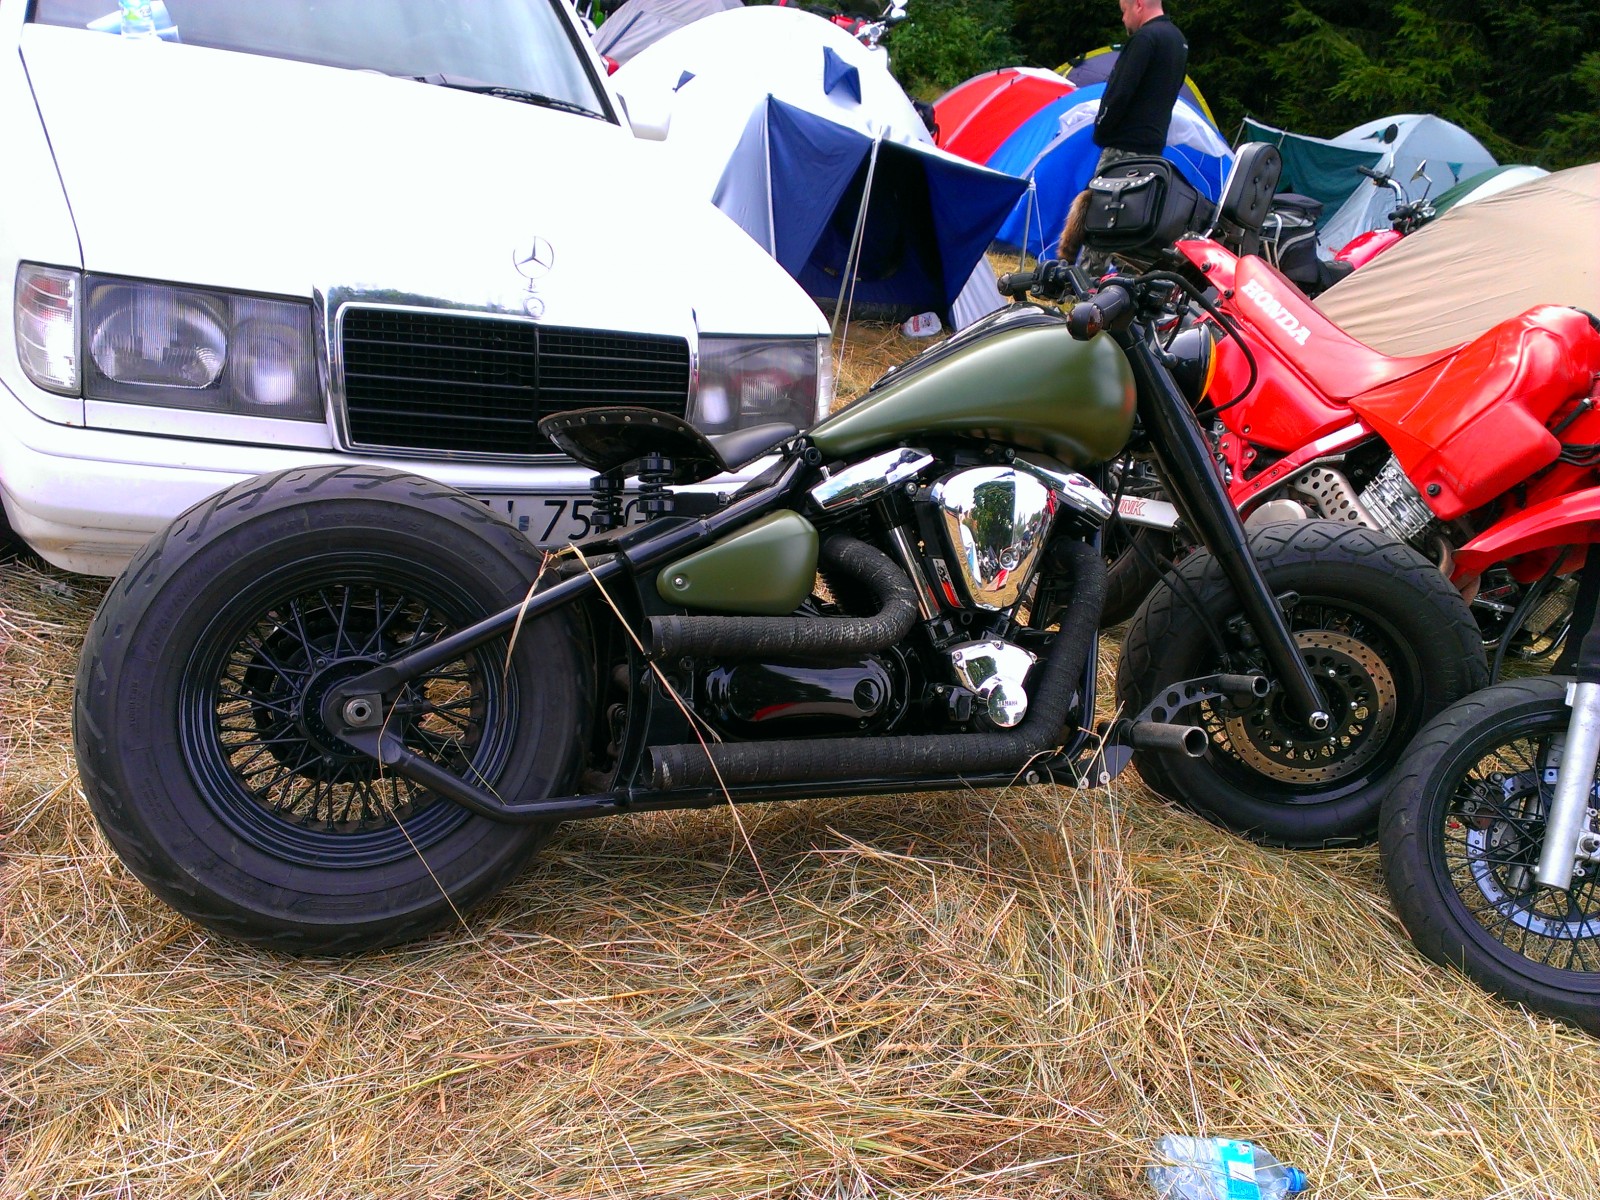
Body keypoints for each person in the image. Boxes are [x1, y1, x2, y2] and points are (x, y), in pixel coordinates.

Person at [1066, 0, 1189, 268]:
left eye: (1124, 11)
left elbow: (1119, 92)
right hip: (1153, 152)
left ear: (1139, 5)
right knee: (1132, 226)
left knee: (1101, 225)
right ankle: (1124, 285)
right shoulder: (1178, 42)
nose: (1123, 19)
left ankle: (1087, 284)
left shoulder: (1144, 39)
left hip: (1122, 149)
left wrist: (1101, 130)